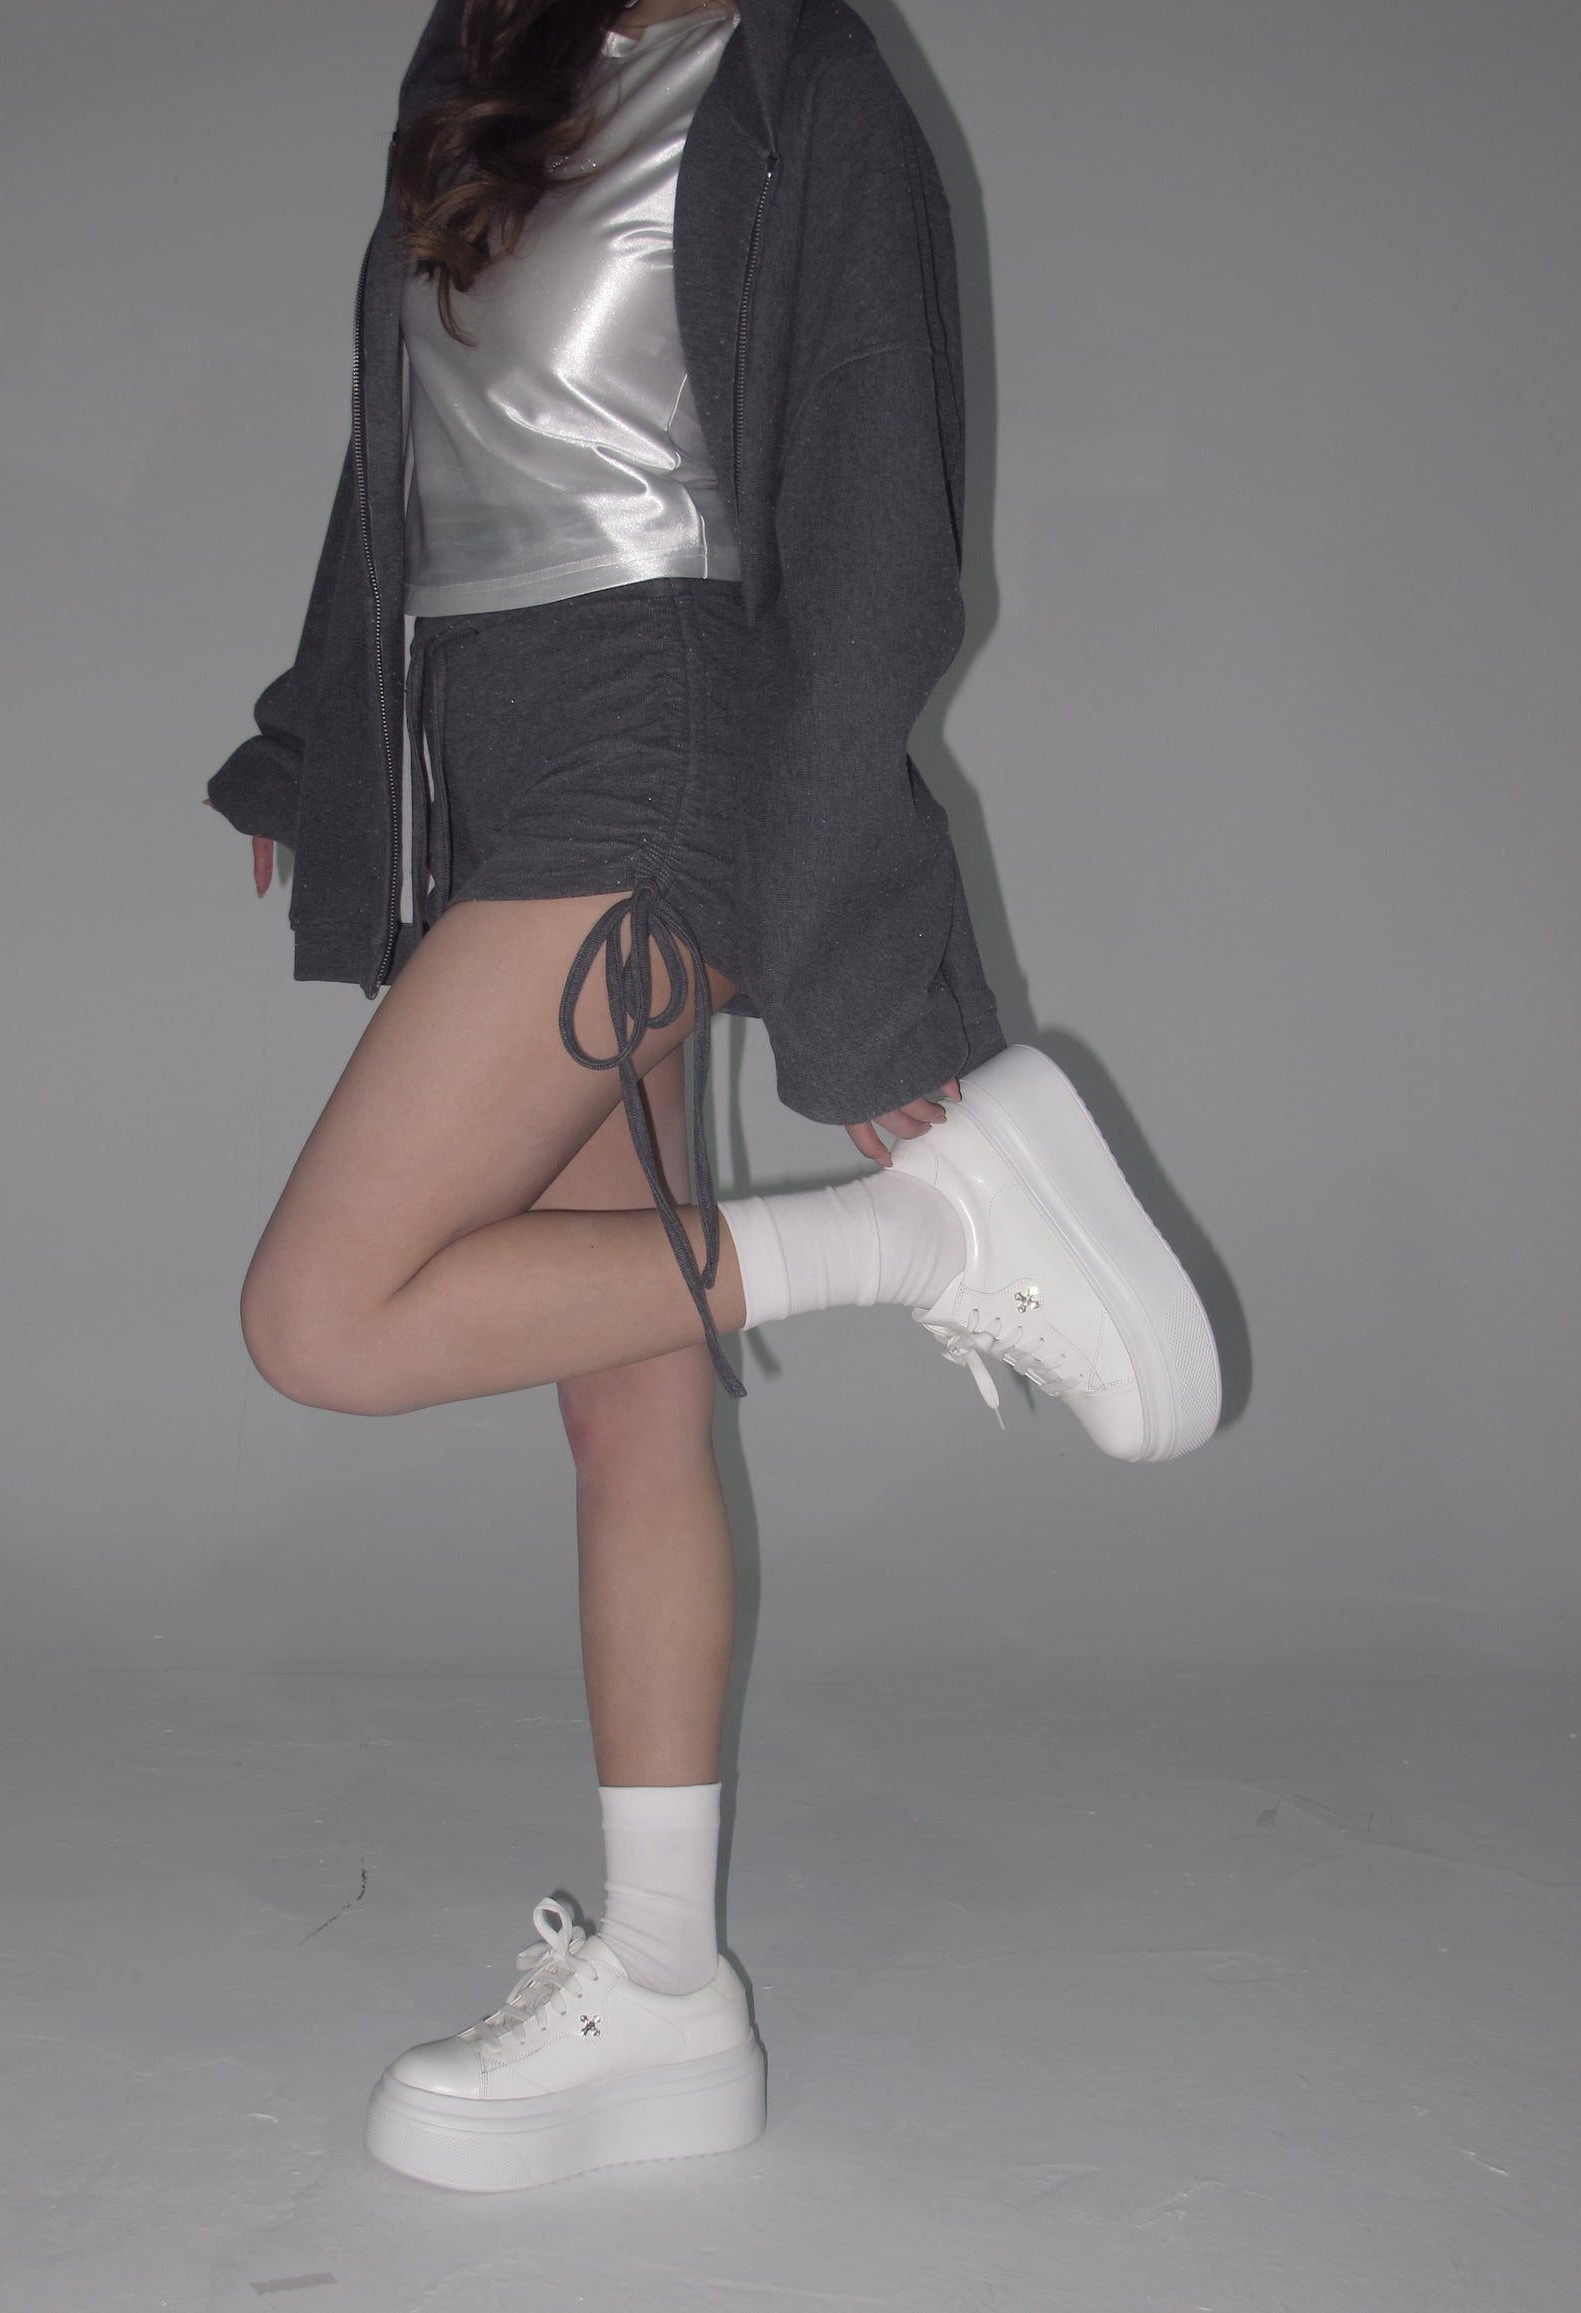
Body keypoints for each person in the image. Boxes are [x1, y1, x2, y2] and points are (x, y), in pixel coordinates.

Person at [204, 0, 1220, 2193]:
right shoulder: (485, 61)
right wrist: (312, 739)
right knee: (632, 1413)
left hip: (654, 733)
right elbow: (403, 448)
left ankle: (915, 1237)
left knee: (325, 1312)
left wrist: (870, 970)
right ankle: (668, 1989)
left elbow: (875, 540)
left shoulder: (792, 81)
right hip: (491, 742)